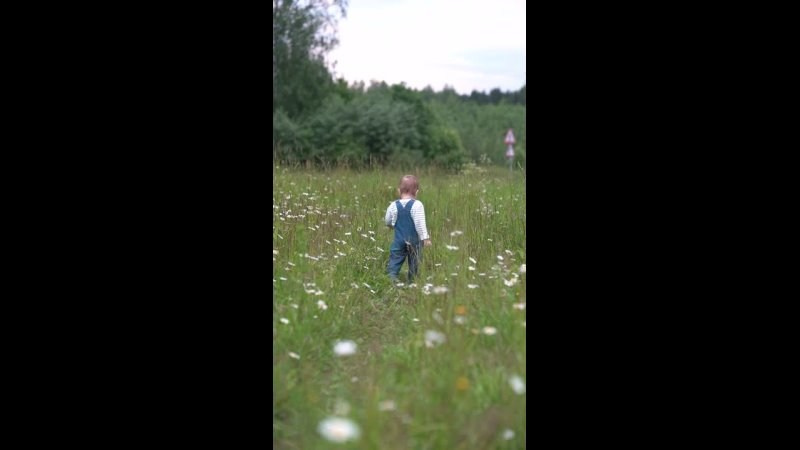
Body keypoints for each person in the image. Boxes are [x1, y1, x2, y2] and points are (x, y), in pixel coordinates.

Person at [385, 175, 431, 284]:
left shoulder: (393, 205)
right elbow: (420, 223)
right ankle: (412, 282)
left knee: (395, 260)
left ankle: (391, 279)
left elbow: (387, 220)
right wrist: (425, 238)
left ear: (398, 190)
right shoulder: (417, 205)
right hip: (414, 241)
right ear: (417, 192)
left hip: (398, 240)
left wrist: (390, 225)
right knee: (415, 262)